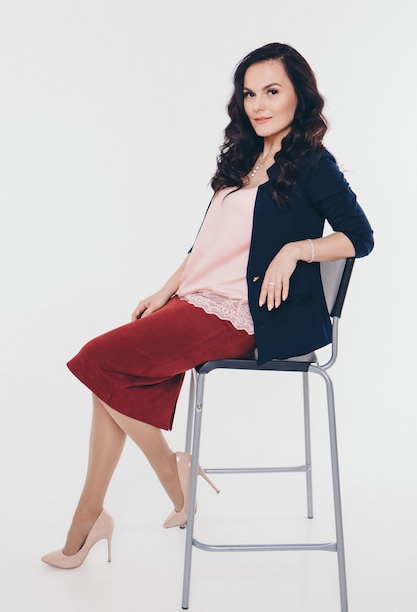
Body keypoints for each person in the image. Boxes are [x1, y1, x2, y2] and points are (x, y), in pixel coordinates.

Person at [41, 42, 374, 568]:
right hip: (197, 301)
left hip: (248, 314)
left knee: (100, 361)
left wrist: (296, 250)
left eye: (272, 91)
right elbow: (206, 246)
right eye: (249, 93)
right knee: (108, 373)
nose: (258, 104)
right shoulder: (243, 159)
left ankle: (105, 509)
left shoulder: (312, 165)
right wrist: (165, 289)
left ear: (299, 98)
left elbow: (360, 237)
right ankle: (127, 500)